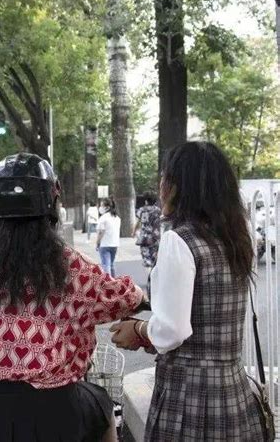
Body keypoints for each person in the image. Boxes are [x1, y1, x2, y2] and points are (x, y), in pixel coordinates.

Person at [0, 153, 146, 442]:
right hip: (50, 408)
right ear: (51, 202)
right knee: (103, 405)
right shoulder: (68, 265)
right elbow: (124, 298)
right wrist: (142, 295)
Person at [110, 142, 266, 441]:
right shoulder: (236, 239)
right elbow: (210, 322)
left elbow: (172, 331)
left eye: (165, 177)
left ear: (178, 186)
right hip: (232, 390)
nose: (161, 185)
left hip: (190, 397)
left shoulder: (179, 241)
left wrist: (139, 329)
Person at [133, 193, 161, 268]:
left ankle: (149, 274)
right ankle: (153, 271)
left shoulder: (141, 210)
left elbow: (138, 222)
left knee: (146, 258)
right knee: (155, 257)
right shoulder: (158, 210)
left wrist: (134, 231)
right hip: (155, 237)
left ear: (146, 201)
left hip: (144, 237)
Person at [96, 197, 121, 277]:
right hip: (115, 244)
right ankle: (114, 281)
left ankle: (108, 283)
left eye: (101, 205)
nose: (100, 207)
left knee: (106, 265)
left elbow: (101, 232)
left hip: (104, 244)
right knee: (111, 264)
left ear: (107, 207)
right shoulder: (117, 218)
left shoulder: (103, 218)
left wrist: (97, 243)